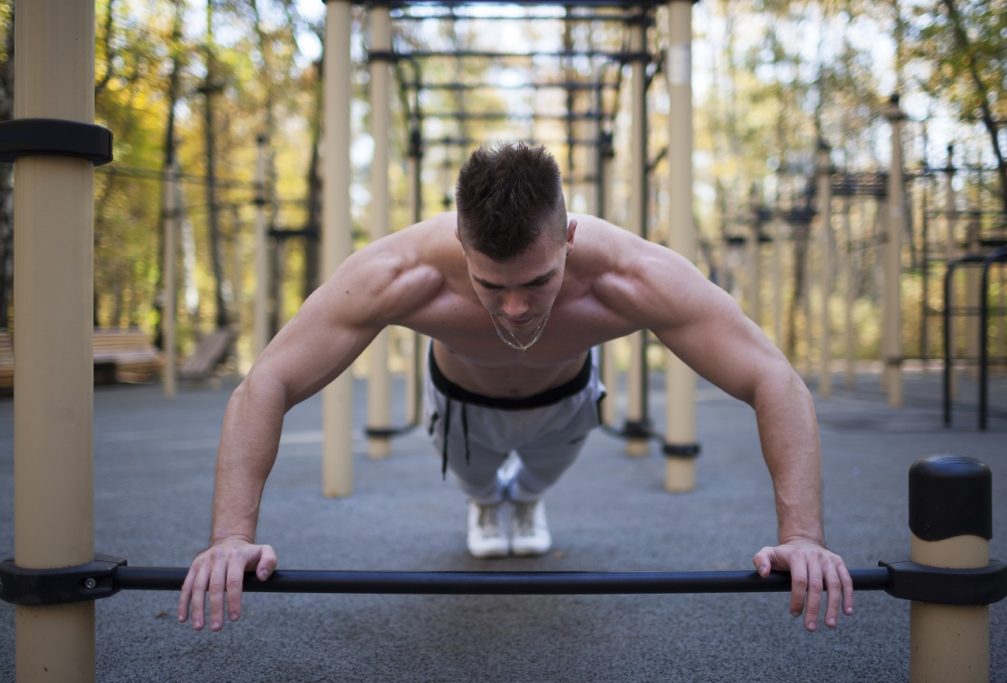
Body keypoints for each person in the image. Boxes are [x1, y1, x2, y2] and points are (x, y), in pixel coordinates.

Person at [178, 142, 854, 633]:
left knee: (533, 482)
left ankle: (523, 502)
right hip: (461, 409)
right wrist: (230, 536)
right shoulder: (397, 272)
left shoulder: (635, 276)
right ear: (461, 243)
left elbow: (774, 376)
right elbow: (267, 379)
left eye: (537, 282)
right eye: (489, 285)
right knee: (479, 485)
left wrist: (803, 535)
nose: (515, 310)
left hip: (565, 407)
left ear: (569, 236)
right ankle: (488, 503)